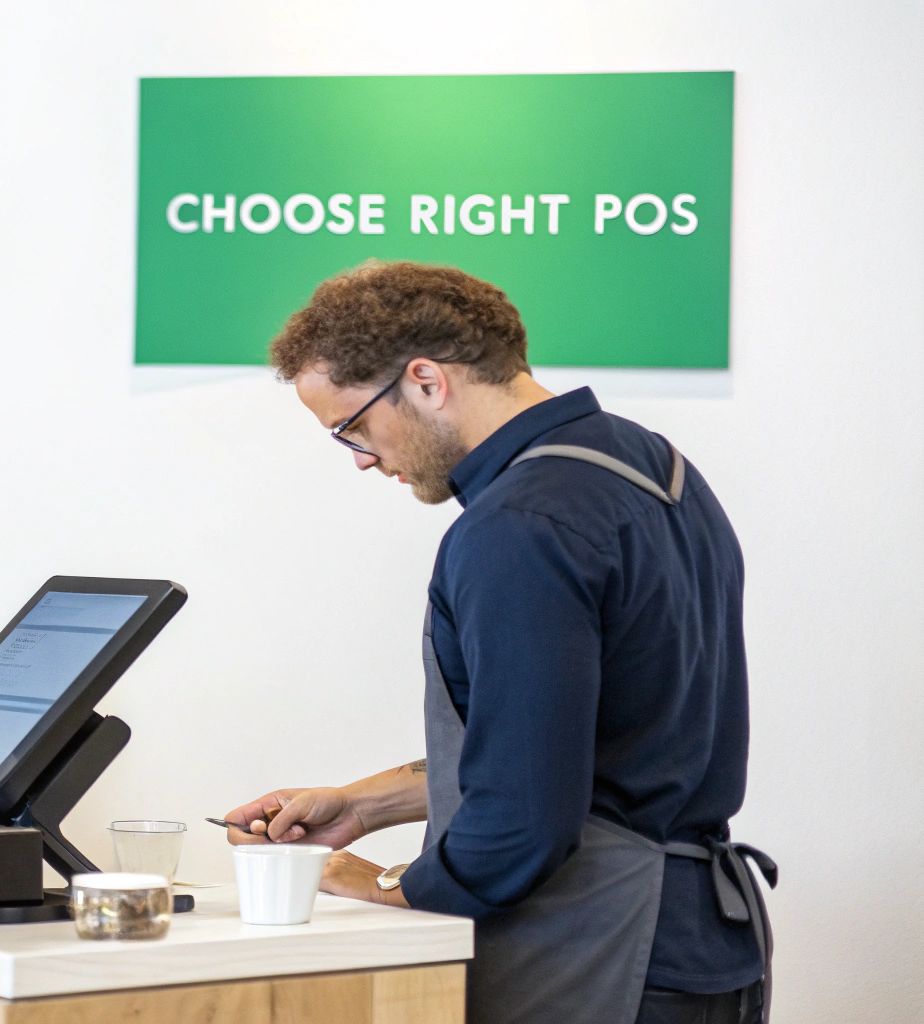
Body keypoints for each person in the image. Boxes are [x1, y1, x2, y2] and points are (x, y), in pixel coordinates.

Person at [224, 262, 774, 1024]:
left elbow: (523, 818)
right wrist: (364, 804)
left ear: (424, 380)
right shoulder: (655, 466)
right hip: (703, 952)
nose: (359, 458)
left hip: (602, 960)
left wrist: (377, 882)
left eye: (352, 427)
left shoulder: (517, 526)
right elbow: (595, 748)